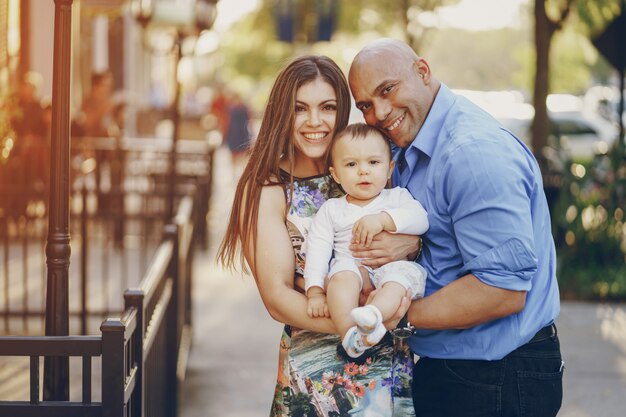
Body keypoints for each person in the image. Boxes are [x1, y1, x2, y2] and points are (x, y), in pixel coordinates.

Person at [348, 38, 563, 417]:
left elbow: (501, 290)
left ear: (423, 71)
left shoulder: (471, 152)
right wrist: (411, 244)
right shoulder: (410, 145)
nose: (379, 112)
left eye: (387, 89)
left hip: (494, 378)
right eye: (365, 104)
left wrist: (394, 313)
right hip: (462, 373)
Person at [217, 55, 419, 416]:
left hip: (387, 366)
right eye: (300, 109)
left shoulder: (368, 162)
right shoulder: (268, 187)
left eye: (327, 107)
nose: (315, 122)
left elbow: (412, 225)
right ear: (282, 112)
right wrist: (364, 324)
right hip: (318, 375)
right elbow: (278, 298)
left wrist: (411, 242)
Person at [304, 123, 429, 358]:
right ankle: (350, 335)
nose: (363, 171)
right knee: (340, 277)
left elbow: (421, 220)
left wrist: (384, 219)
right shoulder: (332, 209)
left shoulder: (397, 197)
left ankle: (374, 316)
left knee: (397, 281)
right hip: (351, 269)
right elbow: (318, 248)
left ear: (390, 168)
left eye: (373, 162)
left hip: (389, 268)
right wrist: (315, 292)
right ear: (335, 174)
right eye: (351, 164)